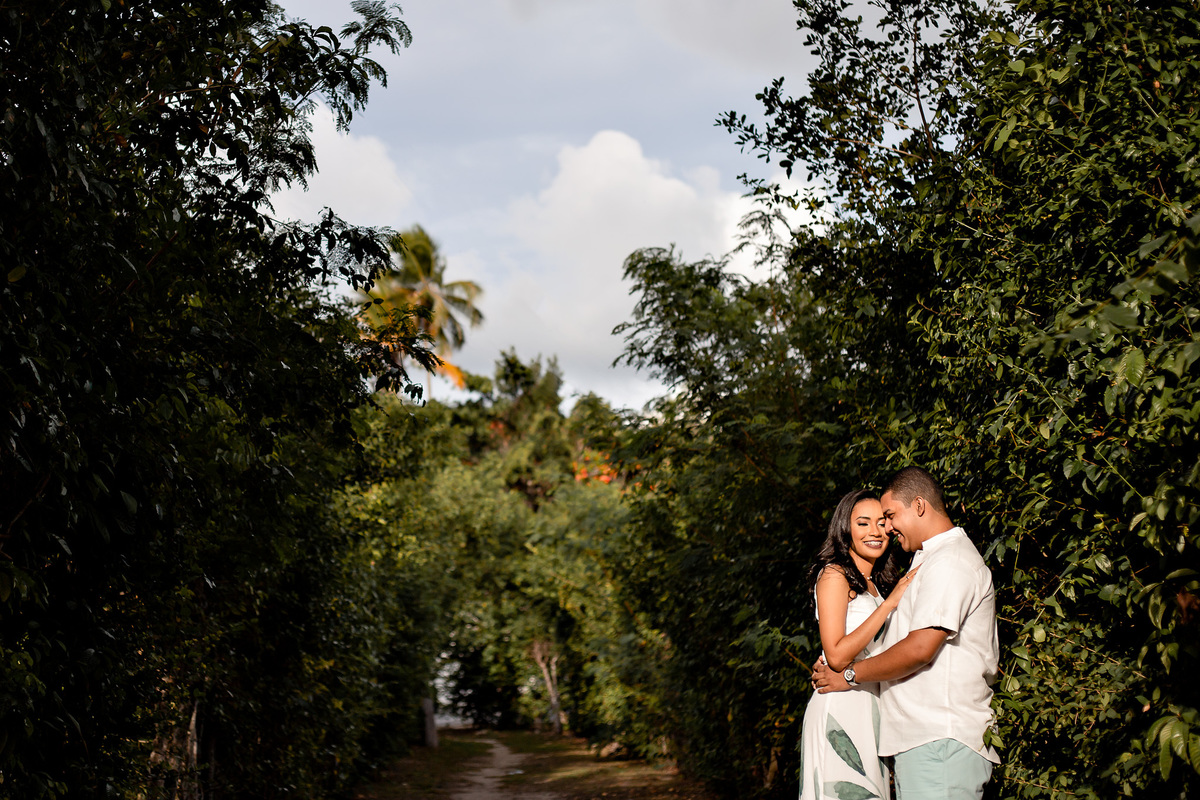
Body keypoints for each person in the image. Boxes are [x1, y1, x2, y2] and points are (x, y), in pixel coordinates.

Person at [812, 467, 999, 800]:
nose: (887, 526)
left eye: (889, 516)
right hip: (921, 739)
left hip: (940, 737)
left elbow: (919, 648)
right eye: (870, 521)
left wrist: (851, 675)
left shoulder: (950, 561)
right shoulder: (925, 561)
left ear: (919, 505)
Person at [799, 489, 917, 800]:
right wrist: (889, 605)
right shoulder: (834, 575)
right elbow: (836, 655)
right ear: (844, 529)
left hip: (870, 706)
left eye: (881, 522)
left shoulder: (876, 584)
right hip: (840, 705)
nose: (875, 532)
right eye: (863, 523)